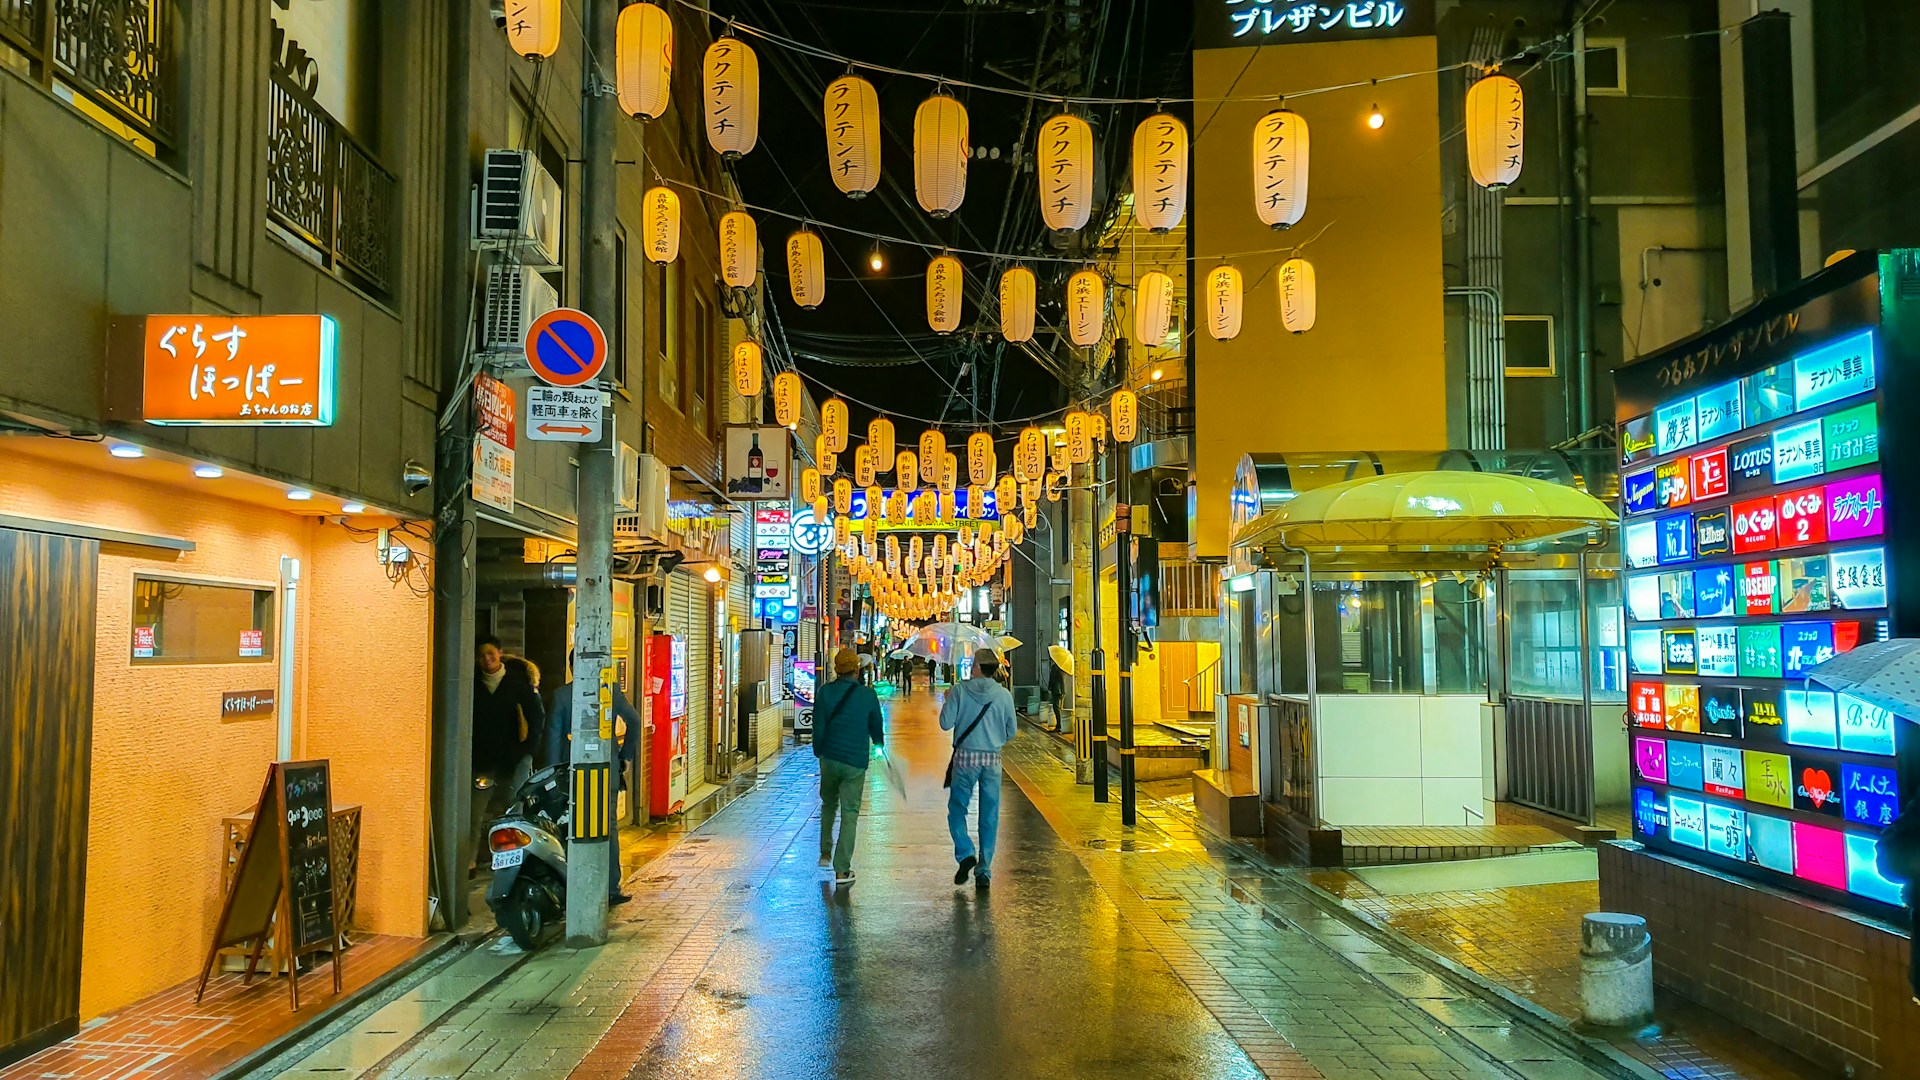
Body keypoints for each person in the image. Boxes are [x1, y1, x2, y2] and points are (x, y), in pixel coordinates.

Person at [545, 651, 641, 905]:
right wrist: (625, 755)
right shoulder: (609, 692)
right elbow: (634, 720)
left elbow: (553, 738)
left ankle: (572, 887)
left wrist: (554, 772)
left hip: (571, 772)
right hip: (606, 769)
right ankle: (610, 888)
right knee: (607, 826)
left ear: (572, 668)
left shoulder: (562, 696)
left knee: (570, 826)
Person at [941, 648, 1018, 890]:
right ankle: (984, 869)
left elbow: (945, 724)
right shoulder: (1004, 695)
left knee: (957, 809)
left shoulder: (960, 691)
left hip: (965, 759)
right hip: (992, 760)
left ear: (976, 667)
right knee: (990, 814)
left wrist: (948, 699)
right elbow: (1012, 731)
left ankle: (965, 853)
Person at [812, 647, 886, 886]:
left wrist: (818, 751)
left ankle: (825, 852)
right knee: (850, 812)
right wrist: (879, 744)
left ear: (836, 670)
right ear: (857, 670)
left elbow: (818, 725)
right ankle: (842, 869)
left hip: (829, 758)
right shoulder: (867, 695)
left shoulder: (824, 693)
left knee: (828, 804)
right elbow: (876, 725)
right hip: (854, 761)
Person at [472, 637, 543, 874]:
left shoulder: (518, 682)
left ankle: (516, 859)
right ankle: (470, 861)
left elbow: (536, 717)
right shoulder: (473, 684)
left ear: (500, 653)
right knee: (475, 810)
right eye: (482, 655)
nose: (487, 659)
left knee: (515, 806)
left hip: (515, 757)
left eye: (491, 653)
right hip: (484, 759)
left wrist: (528, 751)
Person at [1044, 658, 1067, 731]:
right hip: (1062, 690)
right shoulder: (1062, 667)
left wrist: (1049, 688)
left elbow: (1052, 679)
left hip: (1056, 690)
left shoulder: (1055, 667)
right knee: (1059, 708)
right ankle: (1060, 725)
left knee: (1056, 708)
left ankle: (1058, 726)